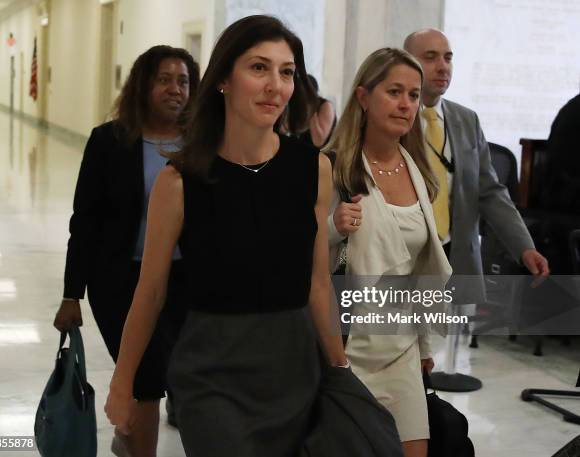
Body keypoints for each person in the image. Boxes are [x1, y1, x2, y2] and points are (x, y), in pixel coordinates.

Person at [102, 15, 379, 457]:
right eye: (258, 68)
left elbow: (318, 284)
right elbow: (150, 292)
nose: (275, 85)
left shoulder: (313, 169)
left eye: (286, 72)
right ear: (223, 81)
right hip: (211, 371)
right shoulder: (180, 182)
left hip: (293, 367)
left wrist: (339, 368)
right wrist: (124, 383)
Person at [53, 45, 200, 457]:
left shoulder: (201, 146)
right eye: (164, 79)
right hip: (119, 281)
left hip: (184, 281)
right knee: (146, 375)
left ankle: (129, 439)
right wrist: (71, 294)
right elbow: (85, 219)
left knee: (173, 372)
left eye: (183, 81)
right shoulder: (109, 142)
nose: (175, 89)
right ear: (143, 85)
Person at [326, 47, 452, 457]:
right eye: (394, 91)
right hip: (348, 347)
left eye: (414, 95)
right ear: (364, 97)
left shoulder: (419, 170)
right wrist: (333, 228)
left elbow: (421, 267)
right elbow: (301, 261)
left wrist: (426, 346)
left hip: (400, 347)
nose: (405, 104)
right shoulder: (333, 166)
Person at [401, 29, 548, 302]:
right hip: (402, 258)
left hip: (455, 259)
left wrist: (524, 247)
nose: (443, 66)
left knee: (442, 343)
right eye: (431, 57)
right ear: (406, 62)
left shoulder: (466, 120)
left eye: (448, 57)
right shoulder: (392, 118)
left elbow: (490, 192)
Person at [298, 74, 337, 148]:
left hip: (322, 155)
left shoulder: (326, 106)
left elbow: (318, 141)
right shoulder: (298, 105)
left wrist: (310, 108)